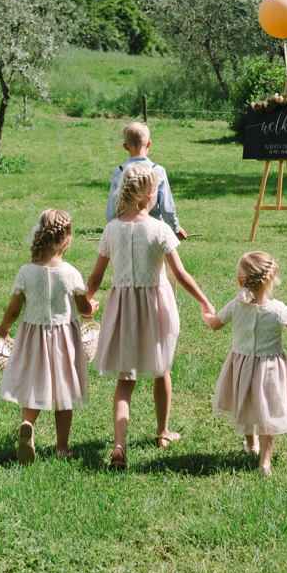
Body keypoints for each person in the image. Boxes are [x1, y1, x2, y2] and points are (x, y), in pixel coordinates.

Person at [88, 164, 216, 468]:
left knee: (124, 380)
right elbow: (181, 275)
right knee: (162, 370)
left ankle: (120, 443)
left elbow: (94, 278)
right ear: (149, 195)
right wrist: (205, 302)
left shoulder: (111, 229)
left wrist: (86, 302)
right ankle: (162, 432)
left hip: (121, 308)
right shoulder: (161, 229)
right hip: (156, 307)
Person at [0, 209, 96, 463]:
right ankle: (62, 446)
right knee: (64, 392)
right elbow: (84, 309)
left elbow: (13, 309)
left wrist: (4, 329)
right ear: (67, 240)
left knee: (33, 387)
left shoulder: (26, 272)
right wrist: (92, 308)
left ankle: (27, 425)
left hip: (34, 339)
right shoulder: (71, 273)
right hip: (65, 341)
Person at [203, 251, 287, 476]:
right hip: (271, 370)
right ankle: (265, 462)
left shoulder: (236, 305)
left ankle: (251, 445)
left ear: (241, 281)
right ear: (271, 280)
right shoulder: (279, 310)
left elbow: (215, 324)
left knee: (248, 404)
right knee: (268, 415)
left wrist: (207, 314)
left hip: (242, 367)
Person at [106, 122, 186, 239]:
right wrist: (175, 228)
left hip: (124, 229)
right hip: (153, 231)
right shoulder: (158, 171)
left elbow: (111, 208)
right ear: (149, 143)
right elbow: (166, 208)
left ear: (125, 146)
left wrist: (112, 229)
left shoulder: (119, 172)